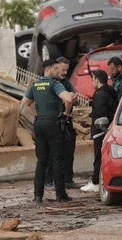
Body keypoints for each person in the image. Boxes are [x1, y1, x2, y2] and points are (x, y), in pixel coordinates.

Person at [21, 59, 74, 203]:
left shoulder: (35, 85)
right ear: (48, 70)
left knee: (41, 161)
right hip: (53, 124)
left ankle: (38, 196)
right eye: (56, 69)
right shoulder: (54, 84)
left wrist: (36, 113)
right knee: (57, 159)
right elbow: (68, 98)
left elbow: (25, 104)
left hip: (39, 124)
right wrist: (66, 114)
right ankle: (60, 194)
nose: (58, 72)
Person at [44, 56, 81, 189]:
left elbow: (73, 99)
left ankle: (67, 179)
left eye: (67, 70)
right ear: (55, 67)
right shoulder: (49, 82)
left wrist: (74, 99)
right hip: (54, 120)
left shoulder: (66, 82)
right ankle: (49, 180)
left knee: (68, 150)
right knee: (52, 151)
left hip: (66, 120)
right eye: (62, 69)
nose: (65, 72)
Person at [80, 69, 118, 192]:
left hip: (100, 130)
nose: (92, 82)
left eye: (93, 80)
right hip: (108, 129)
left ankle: (96, 181)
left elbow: (100, 113)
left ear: (97, 80)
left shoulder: (100, 94)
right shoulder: (111, 92)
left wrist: (98, 129)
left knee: (98, 156)